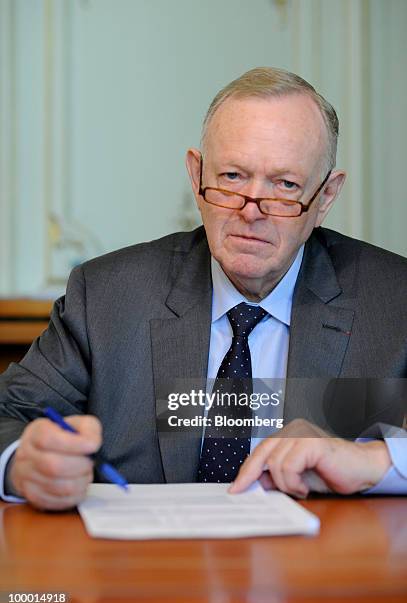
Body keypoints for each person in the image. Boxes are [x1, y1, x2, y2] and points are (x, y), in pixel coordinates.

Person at [0, 67, 406, 511]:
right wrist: (22, 461)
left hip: (319, 572)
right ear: (196, 176)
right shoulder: (106, 297)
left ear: (325, 197)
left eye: (286, 185)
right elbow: (8, 416)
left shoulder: (393, 302)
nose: (252, 210)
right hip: (149, 570)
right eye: (232, 177)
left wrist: (375, 459)